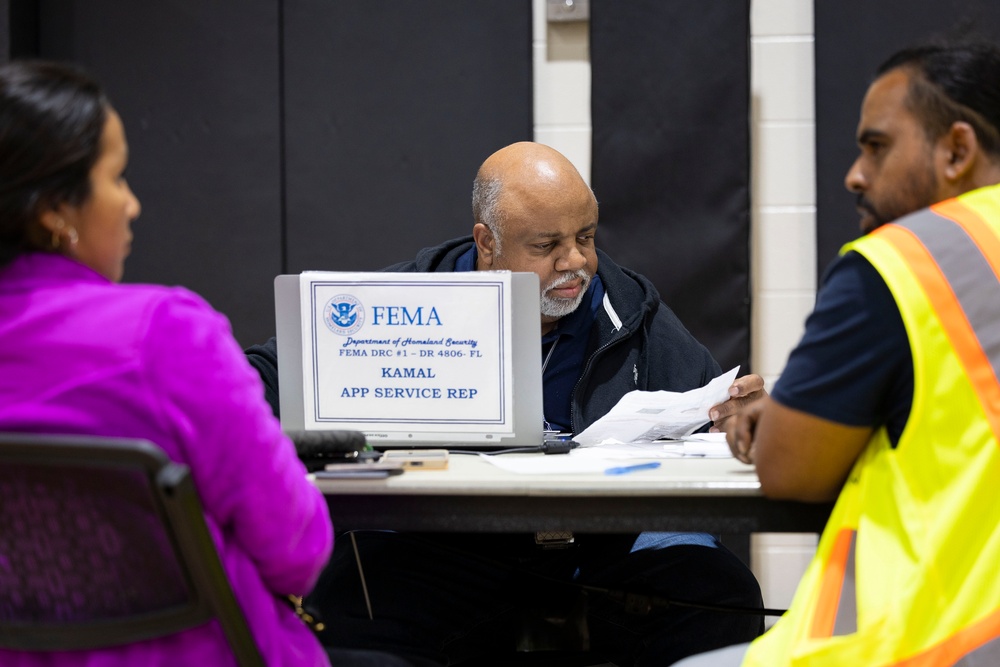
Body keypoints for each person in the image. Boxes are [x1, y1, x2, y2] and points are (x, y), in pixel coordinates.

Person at [246, 141, 767, 666]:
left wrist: (738, 417)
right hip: (448, 549)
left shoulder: (628, 308)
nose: (577, 262)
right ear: (487, 244)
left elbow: (715, 408)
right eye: (548, 246)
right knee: (351, 611)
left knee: (720, 594)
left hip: (606, 553)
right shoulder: (403, 302)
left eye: (586, 237)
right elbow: (257, 380)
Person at [0, 60, 412, 667]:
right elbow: (297, 548)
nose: (133, 205)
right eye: (116, 178)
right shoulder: (163, 336)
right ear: (55, 211)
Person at [678, 40, 1000, 666]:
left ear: (956, 150)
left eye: (876, 147)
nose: (856, 173)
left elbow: (789, 469)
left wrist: (792, 411)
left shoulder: (904, 262)